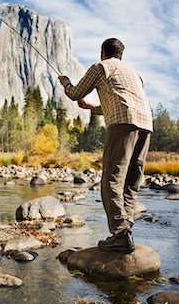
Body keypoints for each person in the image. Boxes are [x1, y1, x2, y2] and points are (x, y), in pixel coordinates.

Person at [58, 38, 153, 254]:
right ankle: (125, 229)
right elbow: (121, 99)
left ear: (103, 53)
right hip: (146, 124)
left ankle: (120, 234)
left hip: (123, 124)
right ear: (121, 54)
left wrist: (65, 82)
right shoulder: (135, 73)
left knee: (112, 178)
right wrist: (92, 107)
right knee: (132, 179)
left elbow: (74, 93)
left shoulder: (101, 66)